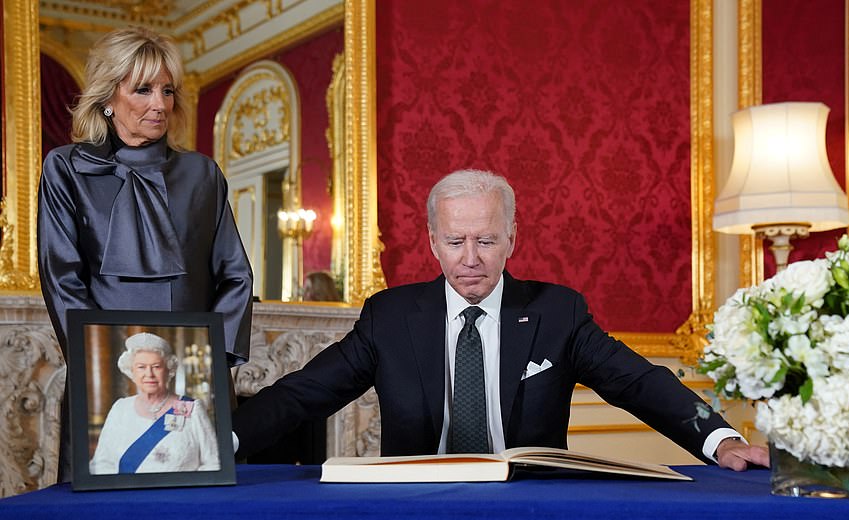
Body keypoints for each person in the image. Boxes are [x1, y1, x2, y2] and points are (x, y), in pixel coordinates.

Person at [233, 169, 769, 471]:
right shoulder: (390, 318)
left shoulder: (557, 312)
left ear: (512, 239)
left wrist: (719, 439)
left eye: (487, 240)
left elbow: (639, 381)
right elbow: (304, 392)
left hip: (529, 509)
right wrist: (220, 446)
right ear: (432, 243)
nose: (471, 258)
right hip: (419, 510)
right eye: (455, 241)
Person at [37, 27, 253, 477]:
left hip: (192, 381)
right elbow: (62, 277)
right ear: (108, 97)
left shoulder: (202, 174)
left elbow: (235, 275)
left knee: (196, 509)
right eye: (143, 89)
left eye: (167, 90)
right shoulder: (66, 168)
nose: (160, 103)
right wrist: (98, 357)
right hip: (107, 373)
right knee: (101, 514)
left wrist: (212, 365)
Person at [90, 333, 220, 474]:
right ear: (132, 371)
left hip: (180, 494)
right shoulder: (120, 409)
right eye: (141, 367)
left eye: (156, 366)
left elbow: (213, 462)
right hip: (128, 495)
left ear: (169, 370)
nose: (149, 374)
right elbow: (102, 463)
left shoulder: (192, 408)